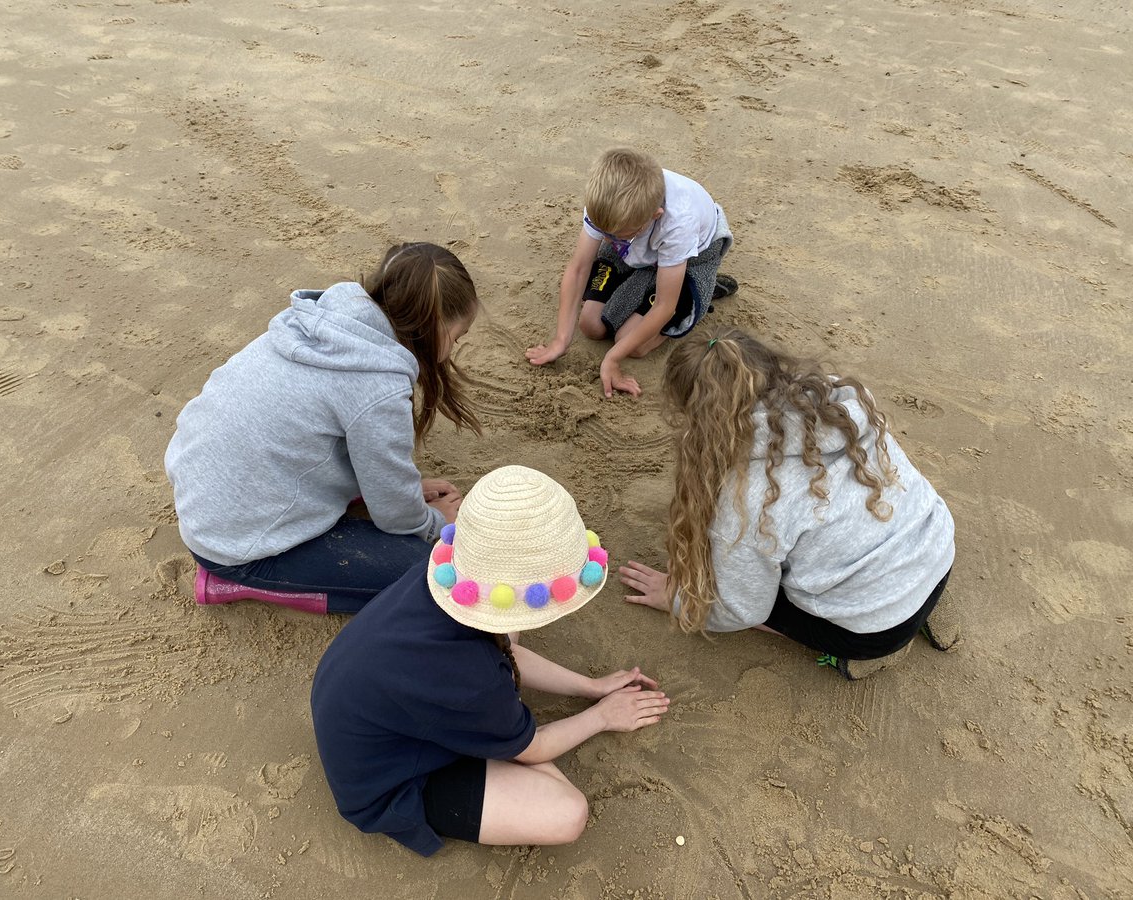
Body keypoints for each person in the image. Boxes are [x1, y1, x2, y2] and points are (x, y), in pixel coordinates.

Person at [311, 465, 669, 855]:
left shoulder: (447, 579)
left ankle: (490, 737)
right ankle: (485, 743)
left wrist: (591, 686)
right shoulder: (473, 680)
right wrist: (603, 715)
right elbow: (533, 747)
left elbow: (506, 648)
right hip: (386, 780)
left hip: (366, 710)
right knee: (568, 811)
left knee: (506, 648)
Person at [618, 330, 960, 680]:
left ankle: (868, 653)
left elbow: (743, 610)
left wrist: (680, 600)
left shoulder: (746, 498)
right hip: (939, 552)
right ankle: (912, 601)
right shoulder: (837, 399)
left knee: (758, 590)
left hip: (878, 629)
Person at [164, 242, 480, 615]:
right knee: (428, 575)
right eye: (456, 337)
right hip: (236, 545)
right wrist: (431, 523)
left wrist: (402, 492)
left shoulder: (317, 323)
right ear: (434, 328)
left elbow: (344, 448)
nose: (454, 347)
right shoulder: (377, 385)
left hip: (209, 497)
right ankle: (233, 582)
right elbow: (396, 516)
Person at [525, 146, 737, 398]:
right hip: (635, 243)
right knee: (591, 325)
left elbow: (664, 306)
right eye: (601, 231)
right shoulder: (605, 202)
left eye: (614, 234)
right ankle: (644, 273)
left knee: (633, 344)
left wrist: (612, 359)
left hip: (693, 256)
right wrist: (560, 340)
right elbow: (579, 268)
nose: (603, 237)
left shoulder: (678, 223)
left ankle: (701, 293)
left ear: (655, 216)